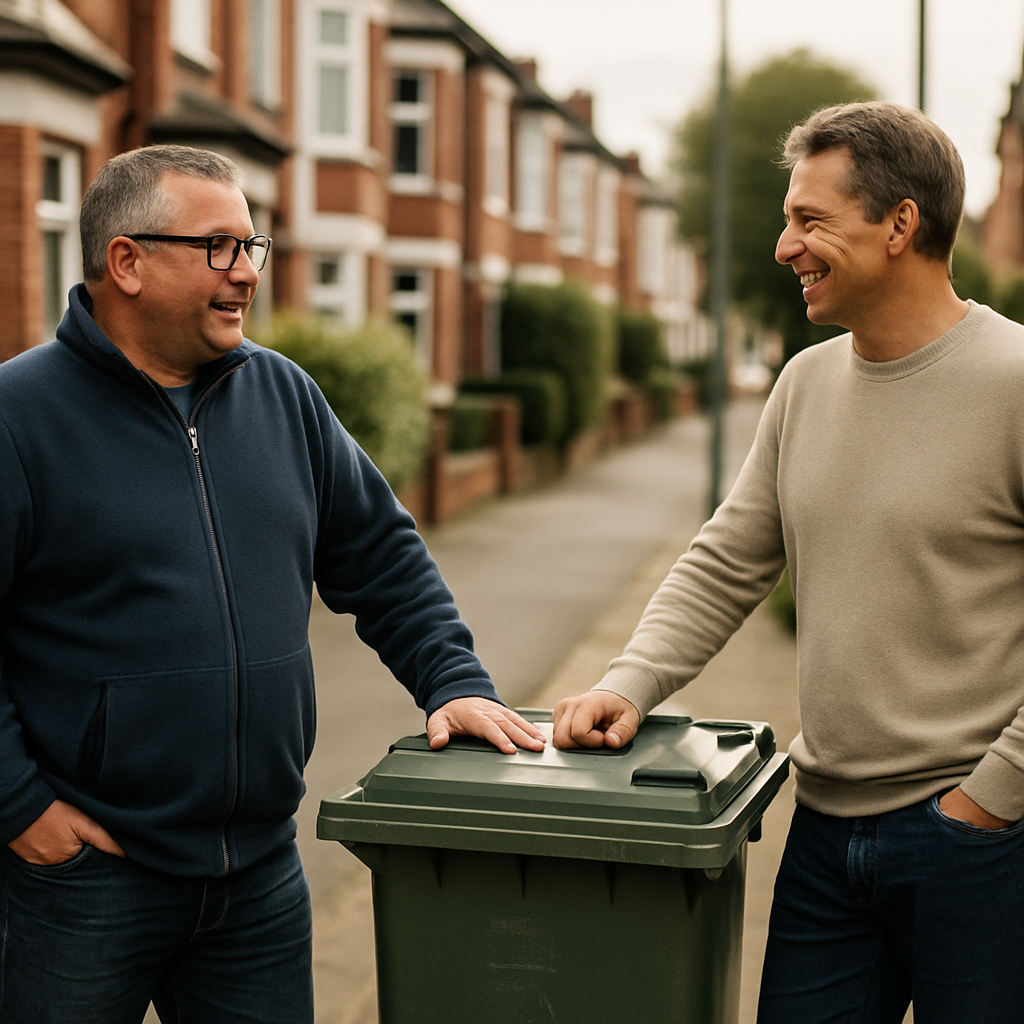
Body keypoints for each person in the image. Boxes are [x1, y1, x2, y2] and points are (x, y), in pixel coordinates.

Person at [0, 144, 545, 1024]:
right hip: (84, 882)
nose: (246, 272)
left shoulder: (285, 396)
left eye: (254, 246)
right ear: (126, 261)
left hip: (257, 878)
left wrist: (453, 682)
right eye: (217, 247)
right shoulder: (19, 417)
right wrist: (20, 807)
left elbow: (384, 559)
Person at [553, 101, 1024, 1022]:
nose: (784, 246)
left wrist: (993, 797)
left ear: (900, 224)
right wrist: (632, 679)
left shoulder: (1013, 383)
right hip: (825, 831)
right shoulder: (805, 383)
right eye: (786, 220)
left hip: (981, 843)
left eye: (810, 220)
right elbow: (729, 559)